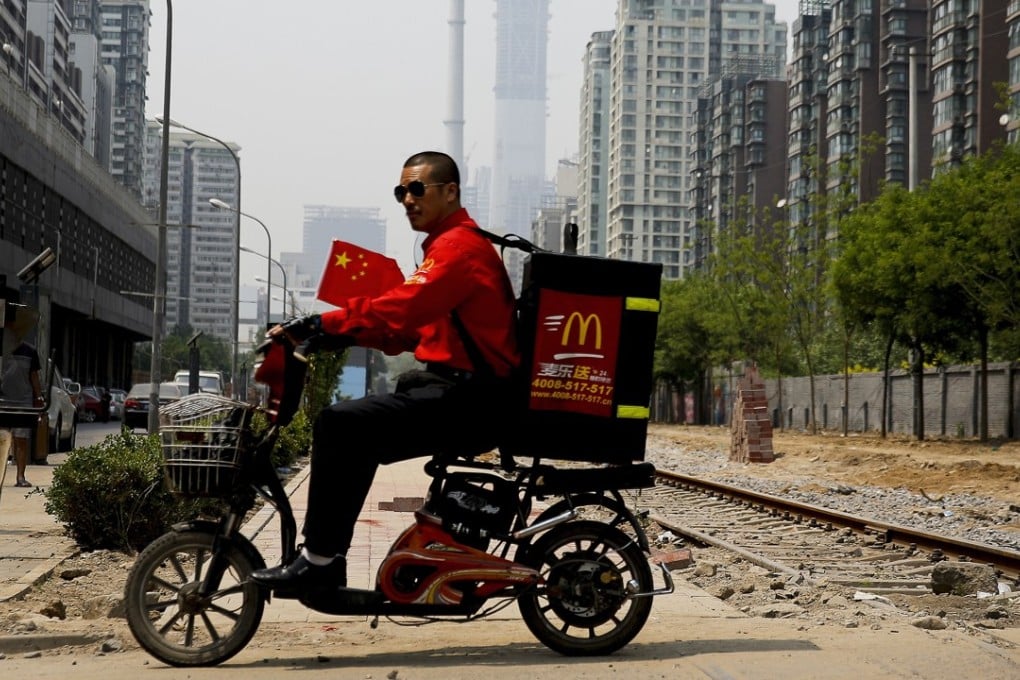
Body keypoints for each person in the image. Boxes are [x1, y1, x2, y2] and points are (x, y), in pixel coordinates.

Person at [251, 151, 520, 591]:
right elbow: (409, 333)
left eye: (417, 189)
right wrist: (334, 335)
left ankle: (320, 560)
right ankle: (326, 556)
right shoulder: (449, 248)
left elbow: (404, 308)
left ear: (450, 192)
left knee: (341, 425)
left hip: (472, 401)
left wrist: (321, 323)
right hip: (464, 394)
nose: (407, 200)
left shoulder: (459, 249)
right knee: (354, 430)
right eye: (401, 192)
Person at [0, 341, 43, 488]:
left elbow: (34, 376)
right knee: (1, 440)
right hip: (2, 401)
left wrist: (38, 397)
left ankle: (20, 477)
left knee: (21, 440)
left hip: (23, 402)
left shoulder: (30, 351)